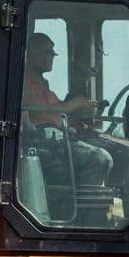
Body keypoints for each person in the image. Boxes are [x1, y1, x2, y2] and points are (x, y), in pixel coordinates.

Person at [22, 32, 113, 185]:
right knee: (100, 158)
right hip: (44, 144)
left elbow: (62, 111)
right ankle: (87, 200)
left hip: (57, 138)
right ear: (33, 53)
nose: (53, 56)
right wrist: (76, 103)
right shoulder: (25, 82)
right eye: (48, 52)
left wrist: (94, 105)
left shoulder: (42, 83)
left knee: (112, 146)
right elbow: (47, 110)